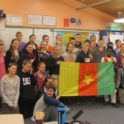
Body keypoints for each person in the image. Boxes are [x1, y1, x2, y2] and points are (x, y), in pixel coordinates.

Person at [0, 40, 6, 110]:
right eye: (0, 45)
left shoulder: (2, 54)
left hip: (3, 75)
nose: (2, 47)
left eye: (2, 45)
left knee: (2, 91)